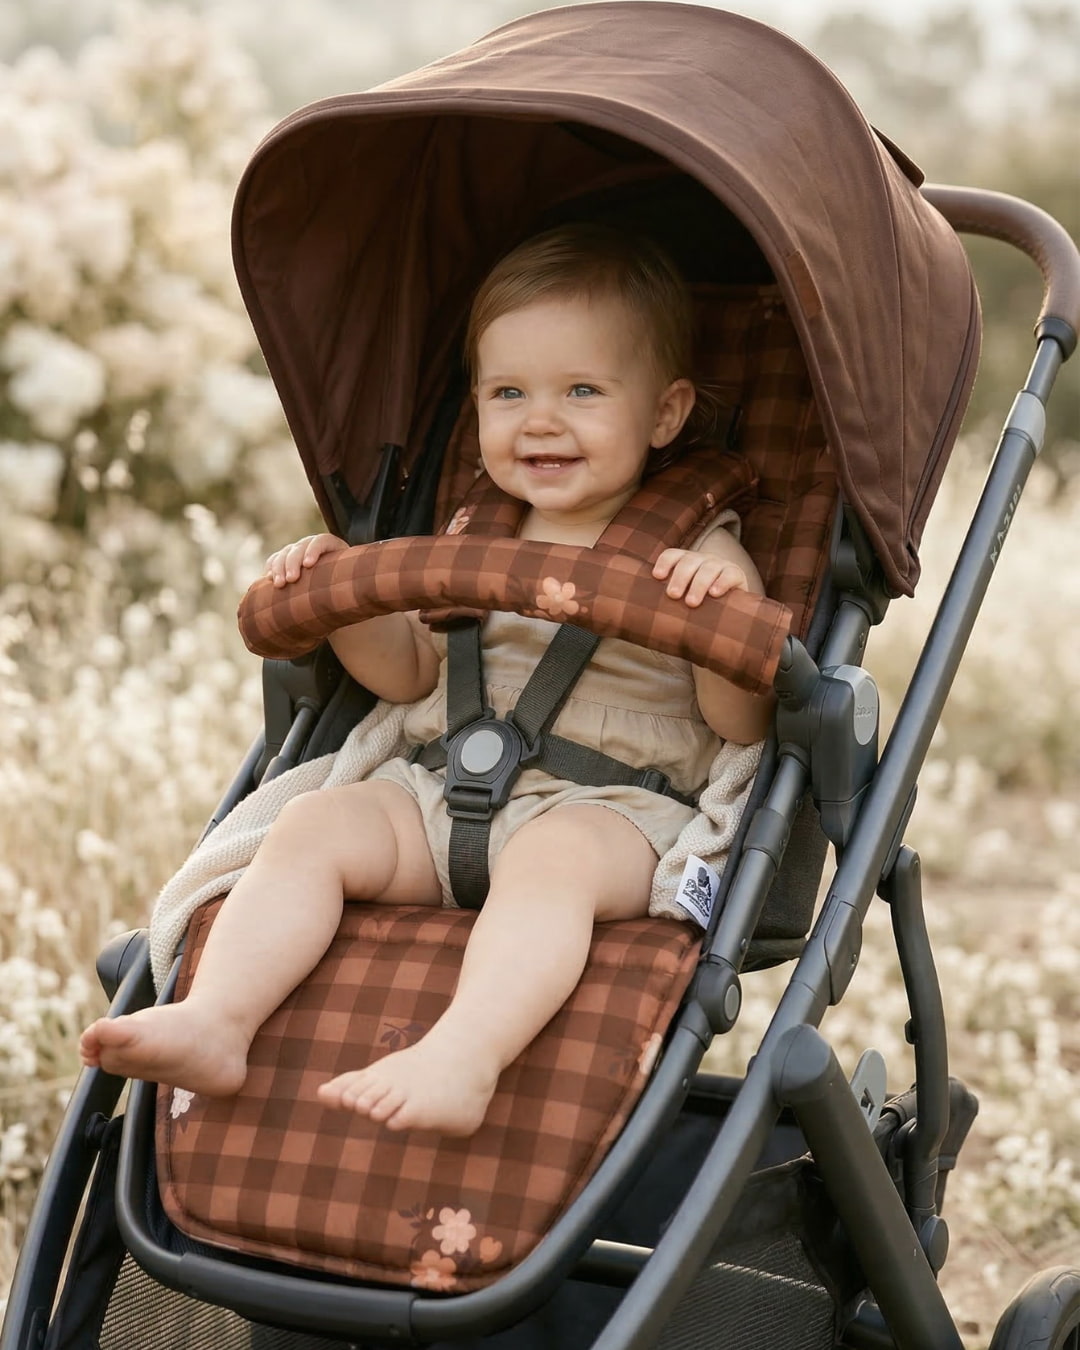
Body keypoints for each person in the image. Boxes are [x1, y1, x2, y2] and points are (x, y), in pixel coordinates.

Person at [80, 224, 771, 1136]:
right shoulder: (466, 535)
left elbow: (742, 721)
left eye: (584, 391)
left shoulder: (699, 549)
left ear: (666, 414)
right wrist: (350, 601)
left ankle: (464, 1056)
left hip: (608, 808)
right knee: (315, 823)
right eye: (509, 392)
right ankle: (218, 1018)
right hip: (440, 788)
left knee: (549, 868)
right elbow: (407, 679)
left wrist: (720, 620)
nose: (541, 419)